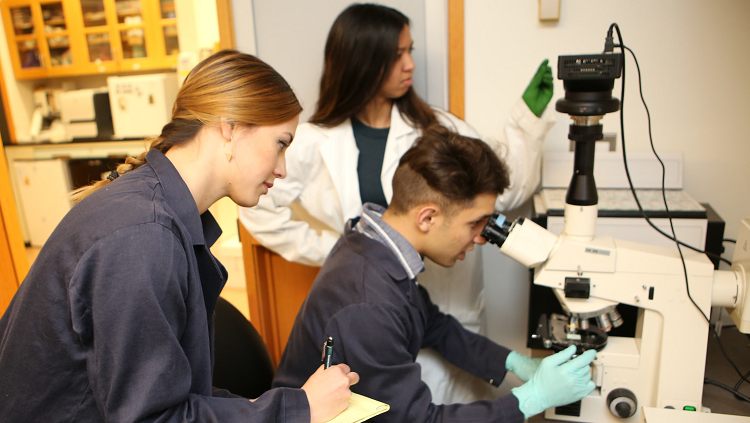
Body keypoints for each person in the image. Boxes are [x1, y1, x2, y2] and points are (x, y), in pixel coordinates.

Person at [0, 50, 358, 423]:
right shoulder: (145, 236)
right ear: (230, 127)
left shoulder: (155, 211)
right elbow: (153, 417)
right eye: (281, 144)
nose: (282, 168)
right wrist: (300, 407)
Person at [238, 3, 556, 403]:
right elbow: (260, 209)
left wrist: (526, 121)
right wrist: (331, 250)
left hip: (428, 301)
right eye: (396, 55)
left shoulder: (436, 127)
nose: (410, 65)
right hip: (380, 302)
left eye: (411, 51)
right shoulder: (317, 140)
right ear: (361, 59)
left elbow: (493, 192)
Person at [273, 127, 597, 423]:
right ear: (427, 218)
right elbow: (421, 421)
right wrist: (529, 400)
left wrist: (515, 363)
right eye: (475, 223)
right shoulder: (367, 302)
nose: (482, 237)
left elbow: (436, 326)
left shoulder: (370, 241)